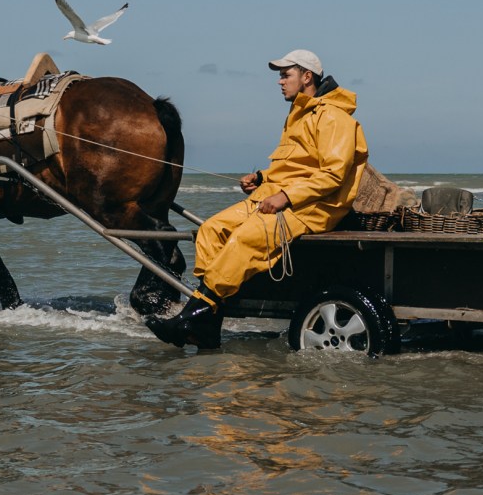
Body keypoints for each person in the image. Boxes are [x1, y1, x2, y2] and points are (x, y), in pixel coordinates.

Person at [147, 49, 368, 348]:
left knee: (244, 240)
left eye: (285, 74)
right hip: (282, 198)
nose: (280, 81)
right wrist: (262, 178)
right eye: (280, 75)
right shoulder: (299, 114)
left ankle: (194, 317)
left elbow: (332, 175)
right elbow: (296, 165)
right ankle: (209, 321)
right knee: (212, 231)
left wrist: (285, 196)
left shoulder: (333, 117)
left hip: (312, 208)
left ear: (306, 77)